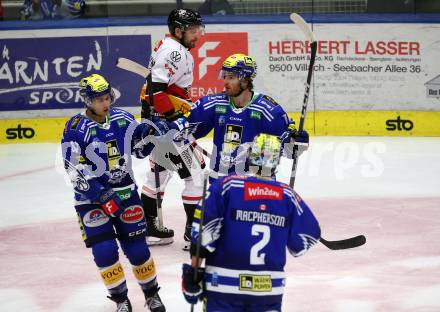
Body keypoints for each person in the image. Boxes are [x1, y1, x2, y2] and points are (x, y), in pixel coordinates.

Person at [181, 133, 321, 311]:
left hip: (223, 286)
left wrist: (193, 274)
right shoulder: (288, 196)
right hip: (268, 289)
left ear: (249, 158)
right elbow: (306, 238)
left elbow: (203, 235)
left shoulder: (226, 186)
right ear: (277, 162)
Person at [61, 74, 166, 312]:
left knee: (138, 250)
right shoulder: (75, 127)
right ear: (87, 100)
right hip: (91, 200)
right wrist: (102, 194)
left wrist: (152, 135)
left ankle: (152, 295)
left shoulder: (123, 118)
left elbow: (138, 151)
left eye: (107, 97)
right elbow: (73, 169)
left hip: (126, 193)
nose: (105, 103)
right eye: (98, 100)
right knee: (105, 252)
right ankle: (120, 299)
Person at [171, 53, 309, 182]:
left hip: (256, 184)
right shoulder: (213, 103)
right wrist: (170, 127)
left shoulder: (268, 109)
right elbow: (184, 128)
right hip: (221, 181)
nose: (225, 81)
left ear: (245, 80)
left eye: (231, 77)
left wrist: (297, 141)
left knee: (267, 146)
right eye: (224, 76)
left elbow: (290, 148)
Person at [139, 8, 206, 250]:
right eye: (193, 30)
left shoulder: (170, 47)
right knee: (195, 176)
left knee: (160, 173)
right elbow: (155, 91)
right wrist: (170, 119)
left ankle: (150, 229)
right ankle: (194, 234)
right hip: (168, 126)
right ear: (178, 31)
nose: (198, 34)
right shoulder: (174, 52)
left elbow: (153, 91)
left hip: (161, 122)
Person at [20, 0, 85, 20]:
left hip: (66, 35)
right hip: (39, 36)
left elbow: (81, 8)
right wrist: (34, 7)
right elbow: (23, 17)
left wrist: (60, 2)